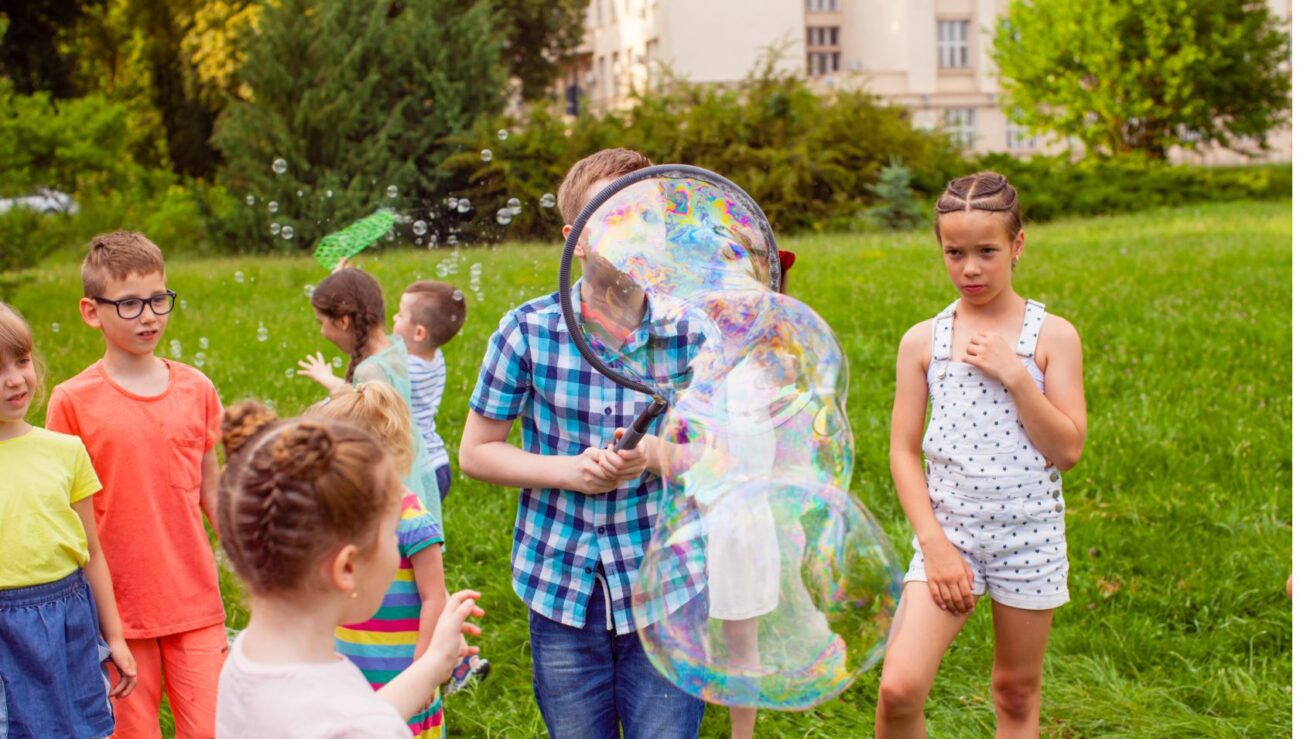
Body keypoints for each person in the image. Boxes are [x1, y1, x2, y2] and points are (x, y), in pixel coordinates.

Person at [459, 148, 706, 738]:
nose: (634, 230)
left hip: (665, 588)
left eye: (646, 216)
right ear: (575, 239)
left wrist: (654, 457)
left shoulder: (690, 333)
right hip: (562, 585)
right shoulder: (528, 331)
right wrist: (569, 471)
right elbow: (476, 451)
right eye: (613, 215)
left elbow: (722, 454)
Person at [876, 172, 1087, 737]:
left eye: (987, 251)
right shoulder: (923, 341)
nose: (970, 268)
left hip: (1029, 536)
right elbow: (902, 449)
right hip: (950, 534)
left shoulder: (1053, 336)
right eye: (954, 253)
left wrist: (1017, 376)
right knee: (899, 689)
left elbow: (1067, 450)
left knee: (1014, 691)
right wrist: (935, 545)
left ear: (1017, 246)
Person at [47, 230, 227, 738]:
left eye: (157, 299)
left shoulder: (197, 388)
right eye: (128, 304)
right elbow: (63, 513)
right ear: (91, 311)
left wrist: (258, 569)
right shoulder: (70, 401)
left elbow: (212, 490)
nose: (149, 315)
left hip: (196, 604)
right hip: (116, 616)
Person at [213, 401, 482, 737]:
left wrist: (430, 668)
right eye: (389, 533)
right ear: (347, 568)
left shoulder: (247, 659)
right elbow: (361, 723)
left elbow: (356, 718)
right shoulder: (361, 726)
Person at [0, 302, 137, 736]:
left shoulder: (66, 451)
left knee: (81, 727)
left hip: (69, 619)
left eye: (21, 361)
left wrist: (114, 638)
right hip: (4, 630)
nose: (14, 379)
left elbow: (92, 553)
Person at [305, 382, 449, 737]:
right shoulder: (341, 514)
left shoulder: (413, 522)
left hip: (399, 663)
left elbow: (435, 596)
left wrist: (424, 665)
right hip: (349, 658)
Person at [298, 268, 440, 521]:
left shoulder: (370, 371)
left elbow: (362, 413)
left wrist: (330, 383)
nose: (321, 332)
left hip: (386, 476)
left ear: (343, 321)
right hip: (408, 460)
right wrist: (344, 279)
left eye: (322, 323)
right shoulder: (394, 345)